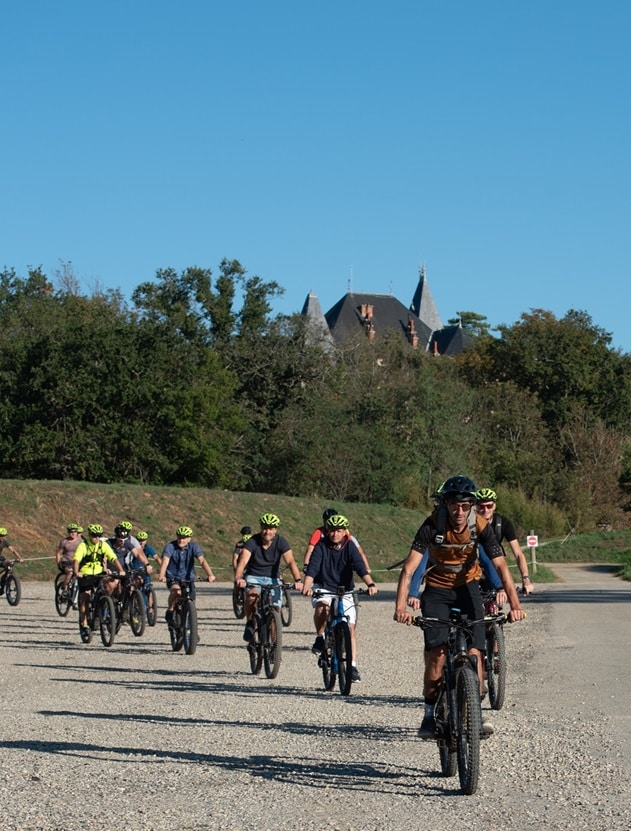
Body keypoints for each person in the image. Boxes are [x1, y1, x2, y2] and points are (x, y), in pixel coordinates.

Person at [394, 475, 525, 739]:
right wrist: (401, 607)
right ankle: (429, 713)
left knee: (476, 652)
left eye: (466, 506)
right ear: (445, 504)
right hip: (438, 591)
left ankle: (475, 710)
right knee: (438, 654)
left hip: (468, 588)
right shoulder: (432, 525)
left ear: (472, 506)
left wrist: (515, 604)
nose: (460, 511)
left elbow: (500, 565)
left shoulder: (480, 525)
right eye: (455, 505)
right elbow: (409, 568)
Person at [302, 514, 378, 682]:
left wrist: (370, 584)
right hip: (324, 587)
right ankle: (320, 638)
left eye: (339, 531)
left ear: (345, 532)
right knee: (323, 607)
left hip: (345, 590)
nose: (335, 534)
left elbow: (360, 567)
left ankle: (352, 666)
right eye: (332, 531)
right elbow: (312, 569)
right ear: (327, 531)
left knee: (350, 628)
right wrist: (307, 586)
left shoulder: (350, 546)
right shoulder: (321, 546)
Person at [234, 513, 303, 643]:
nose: (267, 531)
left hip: (273, 578)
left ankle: (275, 648)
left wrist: (298, 580)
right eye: (265, 528)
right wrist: (239, 578)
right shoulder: (252, 541)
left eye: (271, 528)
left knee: (275, 609)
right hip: (254, 576)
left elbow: (290, 562)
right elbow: (242, 561)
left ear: (275, 530)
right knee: (252, 596)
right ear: (261, 528)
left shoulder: (281, 541)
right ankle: (249, 623)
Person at [475, 488, 534, 595]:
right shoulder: (470, 523)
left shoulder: (503, 523)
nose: (485, 510)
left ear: (494, 506)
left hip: (494, 565)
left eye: (489, 506)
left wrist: (525, 578)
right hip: (472, 566)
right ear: (476, 507)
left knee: (496, 602)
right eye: (481, 506)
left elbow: (518, 554)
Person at [73, 523, 125, 638]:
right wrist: (77, 572)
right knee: (85, 598)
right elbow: (76, 559)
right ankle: (84, 623)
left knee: (110, 584)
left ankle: (108, 605)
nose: (96, 538)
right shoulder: (83, 546)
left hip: (99, 573)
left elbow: (113, 558)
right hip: (85, 574)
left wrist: (121, 570)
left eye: (98, 536)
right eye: (94, 536)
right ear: (90, 535)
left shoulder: (103, 545)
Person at [158, 526, 216, 624]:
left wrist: (210, 574)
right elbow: (165, 561)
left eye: (184, 538)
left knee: (191, 602)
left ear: (189, 539)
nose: (181, 540)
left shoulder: (194, 547)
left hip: (188, 578)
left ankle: (191, 628)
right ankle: (170, 609)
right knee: (177, 592)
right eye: (179, 537)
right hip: (173, 577)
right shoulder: (170, 546)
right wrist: (162, 575)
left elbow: (202, 561)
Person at [303, 508, 371, 575]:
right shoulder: (319, 532)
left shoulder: (345, 532)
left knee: (354, 542)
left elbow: (357, 550)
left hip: (340, 555)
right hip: (325, 556)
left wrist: (366, 567)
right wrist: (306, 565)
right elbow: (310, 549)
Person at [54, 522, 83, 605]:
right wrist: (59, 563)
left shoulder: (81, 541)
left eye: (74, 532)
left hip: (77, 561)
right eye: (70, 532)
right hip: (66, 561)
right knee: (70, 572)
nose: (72, 534)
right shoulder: (64, 541)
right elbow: (59, 553)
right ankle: (65, 589)